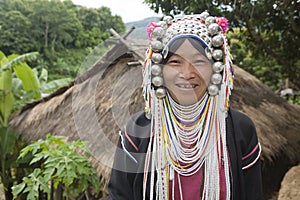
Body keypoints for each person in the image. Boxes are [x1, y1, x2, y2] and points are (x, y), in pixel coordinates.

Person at [107, 11, 262, 200]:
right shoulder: (136, 131)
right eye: (175, 62)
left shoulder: (239, 129)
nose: (187, 73)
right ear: (159, 70)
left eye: (199, 61)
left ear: (216, 67)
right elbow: (118, 196)